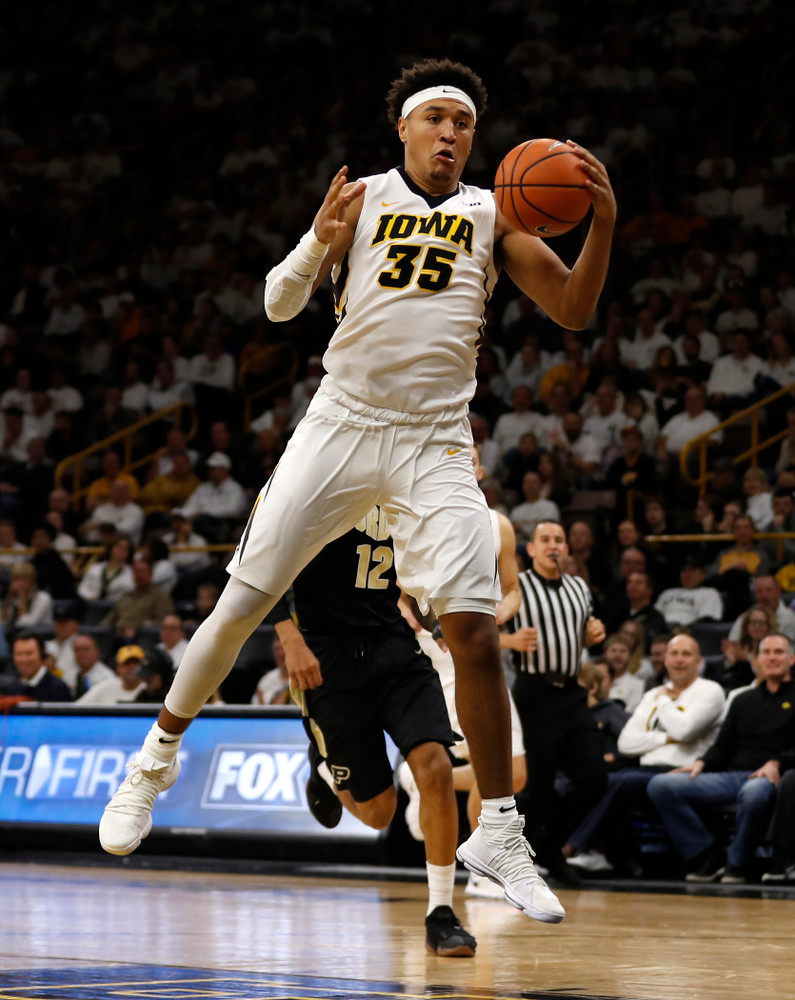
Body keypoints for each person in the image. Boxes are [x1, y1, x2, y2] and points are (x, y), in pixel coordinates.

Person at [99, 58, 615, 922]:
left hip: (436, 441)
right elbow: (275, 304)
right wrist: (315, 239)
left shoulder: (495, 212)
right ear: (405, 128)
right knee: (241, 604)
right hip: (342, 422)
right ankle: (152, 762)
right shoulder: (364, 197)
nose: (452, 133)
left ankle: (499, 829)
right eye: (437, 119)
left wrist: (601, 221)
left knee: (476, 634)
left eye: (465, 124)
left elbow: (571, 309)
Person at [266, 505, 478, 954]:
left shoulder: (398, 483)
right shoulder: (310, 478)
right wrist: (290, 639)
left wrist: (434, 616)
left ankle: (441, 913)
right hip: (327, 656)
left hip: (393, 645)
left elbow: (418, 566)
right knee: (379, 813)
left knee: (436, 766)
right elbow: (254, 562)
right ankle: (325, 770)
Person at [505, 519, 608, 886]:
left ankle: (549, 847)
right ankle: (523, 861)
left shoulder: (579, 587)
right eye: (544, 539)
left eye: (559, 540)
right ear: (530, 550)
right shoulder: (517, 585)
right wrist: (510, 641)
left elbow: (582, 633)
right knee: (537, 786)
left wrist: (593, 634)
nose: (553, 545)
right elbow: (484, 628)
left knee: (594, 777)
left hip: (572, 690)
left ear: (566, 549)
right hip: (533, 691)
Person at [567, 635, 725, 875]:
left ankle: (578, 848)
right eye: (674, 654)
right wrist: (666, 737)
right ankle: (607, 854)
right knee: (598, 778)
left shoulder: (709, 691)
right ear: (666, 660)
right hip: (645, 769)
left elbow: (685, 729)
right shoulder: (652, 694)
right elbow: (626, 742)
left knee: (623, 781)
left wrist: (663, 702)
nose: (679, 660)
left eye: (686, 654)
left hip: (684, 770)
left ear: (699, 660)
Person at [647, 631, 795, 883]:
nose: (772, 658)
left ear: (791, 658)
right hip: (731, 775)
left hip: (767, 776)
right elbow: (723, 746)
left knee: (754, 794)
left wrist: (779, 761)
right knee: (661, 785)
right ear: (757, 660)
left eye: (778, 652)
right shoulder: (742, 700)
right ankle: (706, 852)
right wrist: (701, 762)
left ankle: (737, 864)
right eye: (766, 652)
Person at [654, 555, 723, 629]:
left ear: (703, 575)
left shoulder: (710, 593)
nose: (687, 574)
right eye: (684, 570)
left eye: (692, 570)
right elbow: (654, 616)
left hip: (689, 632)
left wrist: (686, 629)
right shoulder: (667, 592)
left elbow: (708, 621)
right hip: (661, 630)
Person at [4, 632, 71, 702]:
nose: (23, 659)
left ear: (42, 655)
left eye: (29, 653)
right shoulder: (13, 688)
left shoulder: (58, 688)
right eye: (19, 654)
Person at [76, 644, 148, 704]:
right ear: (118, 668)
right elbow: (77, 707)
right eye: (126, 664)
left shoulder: (148, 689)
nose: (132, 667)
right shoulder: (107, 685)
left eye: (136, 663)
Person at [72, 632, 114, 698]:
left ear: (97, 651)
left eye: (86, 649)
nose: (81, 653)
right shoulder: (69, 674)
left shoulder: (107, 677)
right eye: (77, 650)